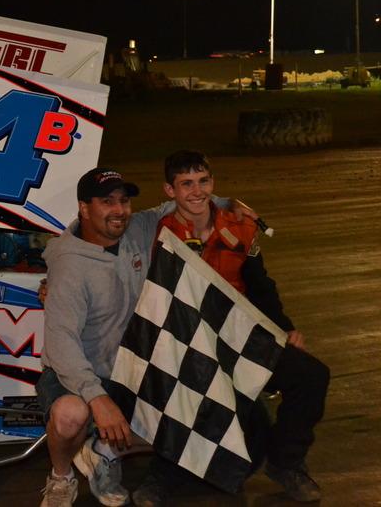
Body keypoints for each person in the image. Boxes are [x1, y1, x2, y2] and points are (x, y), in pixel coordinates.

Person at [36, 167, 245, 507]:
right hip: (80, 374)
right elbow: (61, 344)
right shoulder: (69, 265)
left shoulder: (139, 228)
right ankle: (61, 477)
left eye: (124, 201)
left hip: (134, 369)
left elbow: (183, 202)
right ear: (84, 208)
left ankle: (103, 450)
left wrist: (229, 203)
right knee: (70, 415)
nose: (119, 210)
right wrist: (98, 399)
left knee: (208, 413)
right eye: (107, 202)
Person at [133, 150, 330, 505]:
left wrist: (285, 328)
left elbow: (260, 285)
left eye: (203, 181)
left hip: (242, 336)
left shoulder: (241, 226)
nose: (197, 191)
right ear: (169, 191)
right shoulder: (160, 231)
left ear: (213, 182)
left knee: (312, 375)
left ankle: (285, 462)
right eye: (186, 184)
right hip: (187, 339)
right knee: (179, 388)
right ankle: (161, 477)